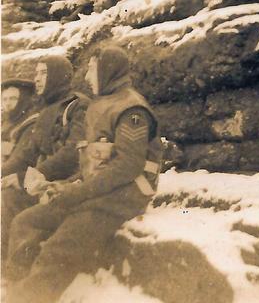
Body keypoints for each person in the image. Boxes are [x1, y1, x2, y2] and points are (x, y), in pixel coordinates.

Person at [6, 46, 162, 303]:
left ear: (107, 70)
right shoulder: (102, 104)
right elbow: (93, 163)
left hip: (124, 195)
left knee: (60, 248)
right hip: (98, 190)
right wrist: (66, 185)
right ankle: (13, 290)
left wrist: (77, 192)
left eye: (91, 69)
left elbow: (128, 166)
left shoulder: (132, 109)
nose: (88, 78)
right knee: (26, 221)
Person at [1, 56, 89, 265]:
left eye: (44, 73)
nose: (38, 79)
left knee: (20, 212)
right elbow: (27, 154)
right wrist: (7, 174)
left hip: (69, 181)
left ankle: (19, 270)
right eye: (36, 73)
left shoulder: (77, 105)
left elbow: (72, 153)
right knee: (7, 196)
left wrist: (27, 177)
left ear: (58, 76)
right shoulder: (45, 111)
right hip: (43, 180)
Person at [2, 78, 38, 165]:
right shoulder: (6, 121)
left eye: (13, 98)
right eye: (4, 99)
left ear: (23, 100)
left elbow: (21, 159)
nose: (8, 103)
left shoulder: (31, 122)